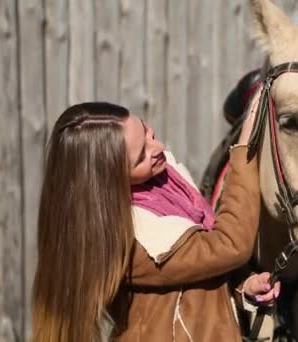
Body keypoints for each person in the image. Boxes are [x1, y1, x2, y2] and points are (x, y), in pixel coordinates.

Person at [32, 98, 278, 342]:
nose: (158, 146)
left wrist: (243, 286)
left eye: (148, 133)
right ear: (109, 180)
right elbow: (229, 245)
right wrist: (246, 148)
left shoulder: (164, 187)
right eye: (141, 156)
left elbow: (199, 272)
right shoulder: (135, 240)